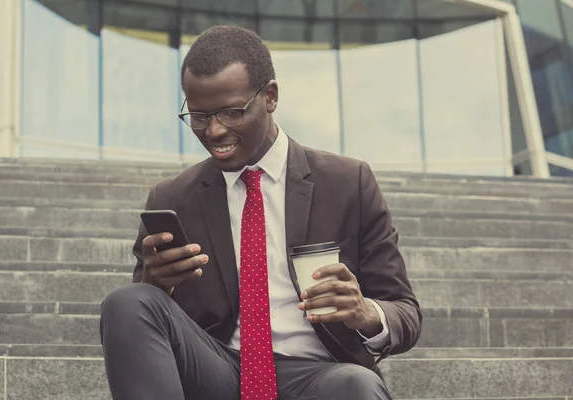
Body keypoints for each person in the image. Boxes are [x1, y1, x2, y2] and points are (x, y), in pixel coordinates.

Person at [100, 25, 422, 400]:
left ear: (270, 97)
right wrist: (155, 286)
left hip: (319, 376)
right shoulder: (171, 198)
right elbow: (147, 325)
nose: (214, 131)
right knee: (126, 302)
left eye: (231, 113)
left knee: (358, 385)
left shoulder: (349, 182)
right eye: (200, 116)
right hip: (216, 368)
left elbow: (405, 311)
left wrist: (366, 312)